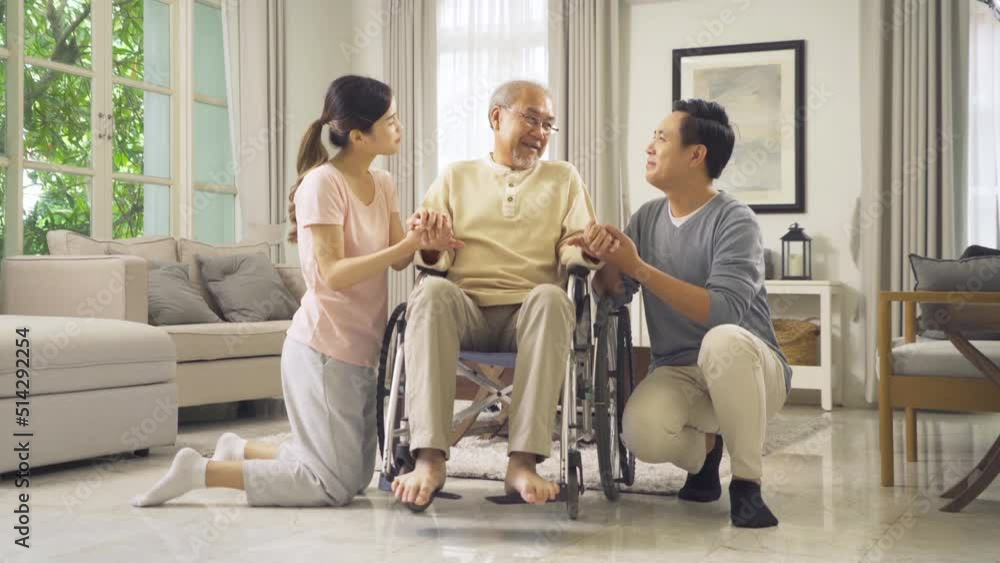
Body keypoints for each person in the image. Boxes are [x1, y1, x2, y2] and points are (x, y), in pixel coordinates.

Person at [131, 75, 460, 508]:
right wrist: (406, 245)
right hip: (322, 349)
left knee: (355, 476)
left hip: (362, 348)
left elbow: (400, 258)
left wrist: (424, 239)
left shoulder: (383, 184)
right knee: (330, 485)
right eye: (391, 120)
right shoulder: (322, 185)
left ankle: (240, 450)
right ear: (360, 136)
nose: (399, 127)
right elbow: (331, 275)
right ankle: (201, 470)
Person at [572, 99, 791, 528]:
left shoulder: (735, 220)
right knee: (641, 434)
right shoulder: (647, 217)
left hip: (748, 367)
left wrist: (638, 265)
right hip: (678, 369)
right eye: (653, 136)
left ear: (696, 155)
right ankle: (706, 452)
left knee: (721, 339)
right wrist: (604, 263)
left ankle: (747, 485)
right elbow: (617, 296)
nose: (650, 146)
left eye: (661, 137)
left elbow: (723, 311)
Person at [389, 80, 603, 511]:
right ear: (496, 117)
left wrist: (586, 249)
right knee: (430, 292)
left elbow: (574, 244)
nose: (540, 133)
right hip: (466, 308)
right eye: (531, 119)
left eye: (548, 125)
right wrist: (431, 242)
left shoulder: (564, 178)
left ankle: (522, 462)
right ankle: (429, 458)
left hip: (529, 313)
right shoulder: (456, 176)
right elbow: (434, 258)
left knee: (552, 296)